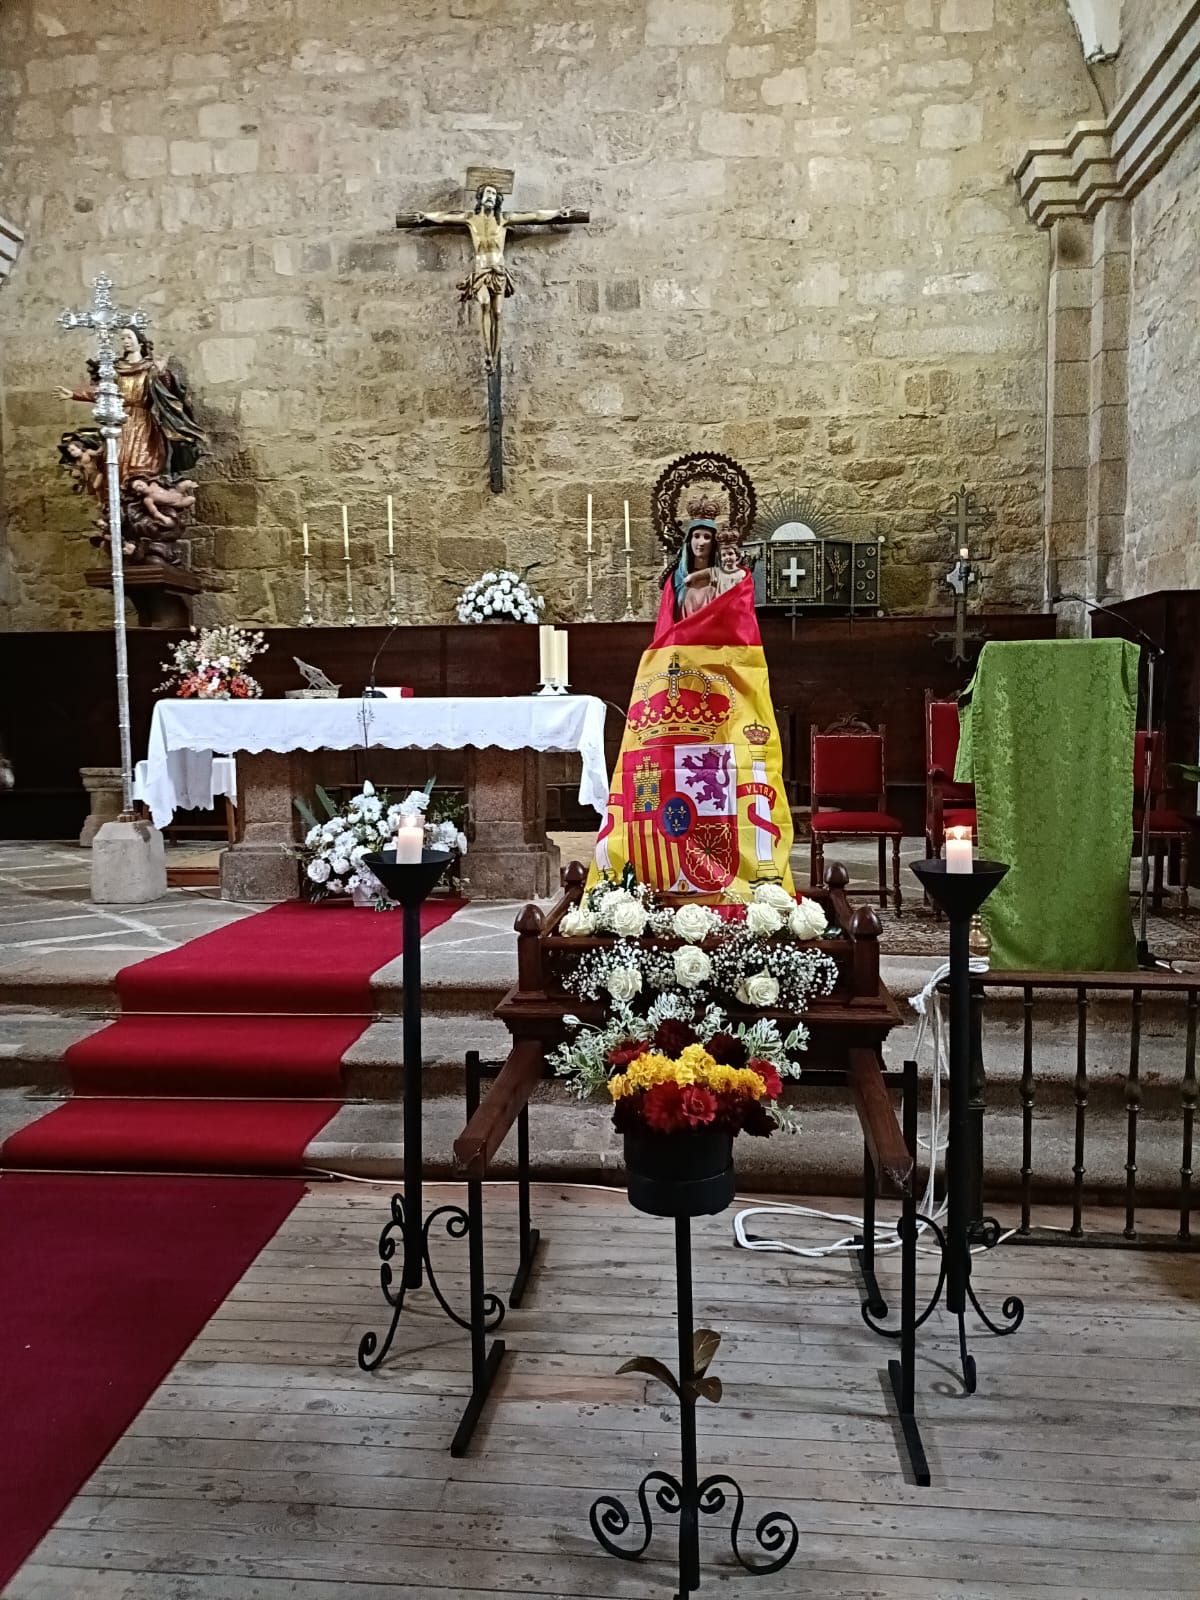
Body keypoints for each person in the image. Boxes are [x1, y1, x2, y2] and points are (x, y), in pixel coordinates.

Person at [57, 327, 205, 486]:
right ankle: (122, 495)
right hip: (121, 420)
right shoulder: (117, 370)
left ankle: (143, 493)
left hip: (144, 421)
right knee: (118, 459)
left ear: (140, 341)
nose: (125, 341)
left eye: (129, 337)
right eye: (122, 339)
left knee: (145, 461)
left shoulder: (150, 367)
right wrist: (74, 394)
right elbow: (104, 391)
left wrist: (161, 373)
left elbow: (166, 392)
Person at [672, 518, 719, 620]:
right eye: (696, 536)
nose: (701, 542)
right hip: (684, 633)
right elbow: (667, 619)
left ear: (714, 543)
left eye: (707, 537)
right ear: (689, 540)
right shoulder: (676, 577)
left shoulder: (723, 576)